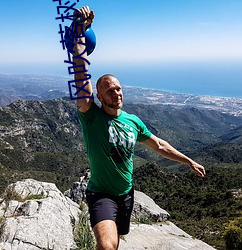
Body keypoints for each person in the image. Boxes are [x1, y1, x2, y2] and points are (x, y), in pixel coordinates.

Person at [72, 6, 206, 250]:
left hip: (126, 194)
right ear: (99, 96)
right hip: (101, 194)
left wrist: (189, 161)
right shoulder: (91, 117)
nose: (116, 92)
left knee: (116, 241)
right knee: (106, 245)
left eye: (118, 88)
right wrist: (81, 33)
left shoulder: (134, 122)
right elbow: (81, 75)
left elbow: (160, 145)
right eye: (109, 90)